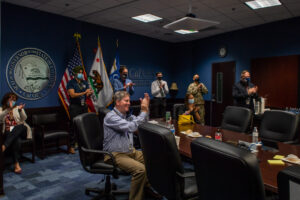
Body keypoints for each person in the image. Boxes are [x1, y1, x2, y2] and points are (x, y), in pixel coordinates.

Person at [103, 91, 161, 200]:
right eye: (126, 100)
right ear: (117, 102)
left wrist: (146, 108)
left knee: (152, 160)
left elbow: (142, 123)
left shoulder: (126, 116)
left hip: (130, 151)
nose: (129, 103)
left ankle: (147, 188)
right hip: (115, 154)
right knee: (141, 170)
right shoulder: (110, 117)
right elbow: (131, 127)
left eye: (129, 100)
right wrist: (143, 111)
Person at [0, 92, 32, 174]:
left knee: (20, 126)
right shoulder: (1, 109)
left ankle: (4, 146)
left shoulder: (18, 107)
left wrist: (20, 110)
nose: (12, 101)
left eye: (14, 99)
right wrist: (8, 109)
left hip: (21, 130)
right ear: (6, 100)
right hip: (9, 131)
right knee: (16, 140)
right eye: (11, 99)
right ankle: (16, 164)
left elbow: (24, 118)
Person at [67, 66, 93, 154]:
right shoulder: (71, 83)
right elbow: (72, 95)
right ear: (75, 74)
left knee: (84, 125)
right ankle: (71, 146)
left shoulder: (84, 82)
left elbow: (87, 94)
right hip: (74, 107)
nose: (81, 74)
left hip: (83, 106)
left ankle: (84, 144)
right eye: (79, 73)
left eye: (82, 72)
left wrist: (90, 93)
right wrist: (84, 92)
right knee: (74, 126)